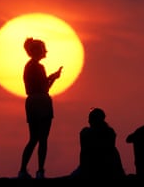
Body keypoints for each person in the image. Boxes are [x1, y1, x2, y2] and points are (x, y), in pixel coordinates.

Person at [18, 37, 63, 179]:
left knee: (33, 139)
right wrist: (53, 78)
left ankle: (23, 170)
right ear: (38, 51)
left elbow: (39, 86)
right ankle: (40, 171)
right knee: (42, 139)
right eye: (43, 50)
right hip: (42, 102)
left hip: (31, 102)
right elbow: (44, 88)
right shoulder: (38, 67)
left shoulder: (29, 66)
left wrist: (50, 78)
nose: (46, 52)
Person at [70, 108, 125, 179]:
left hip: (95, 167)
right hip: (109, 167)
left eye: (90, 118)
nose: (88, 121)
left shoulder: (86, 133)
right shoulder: (110, 132)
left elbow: (84, 153)